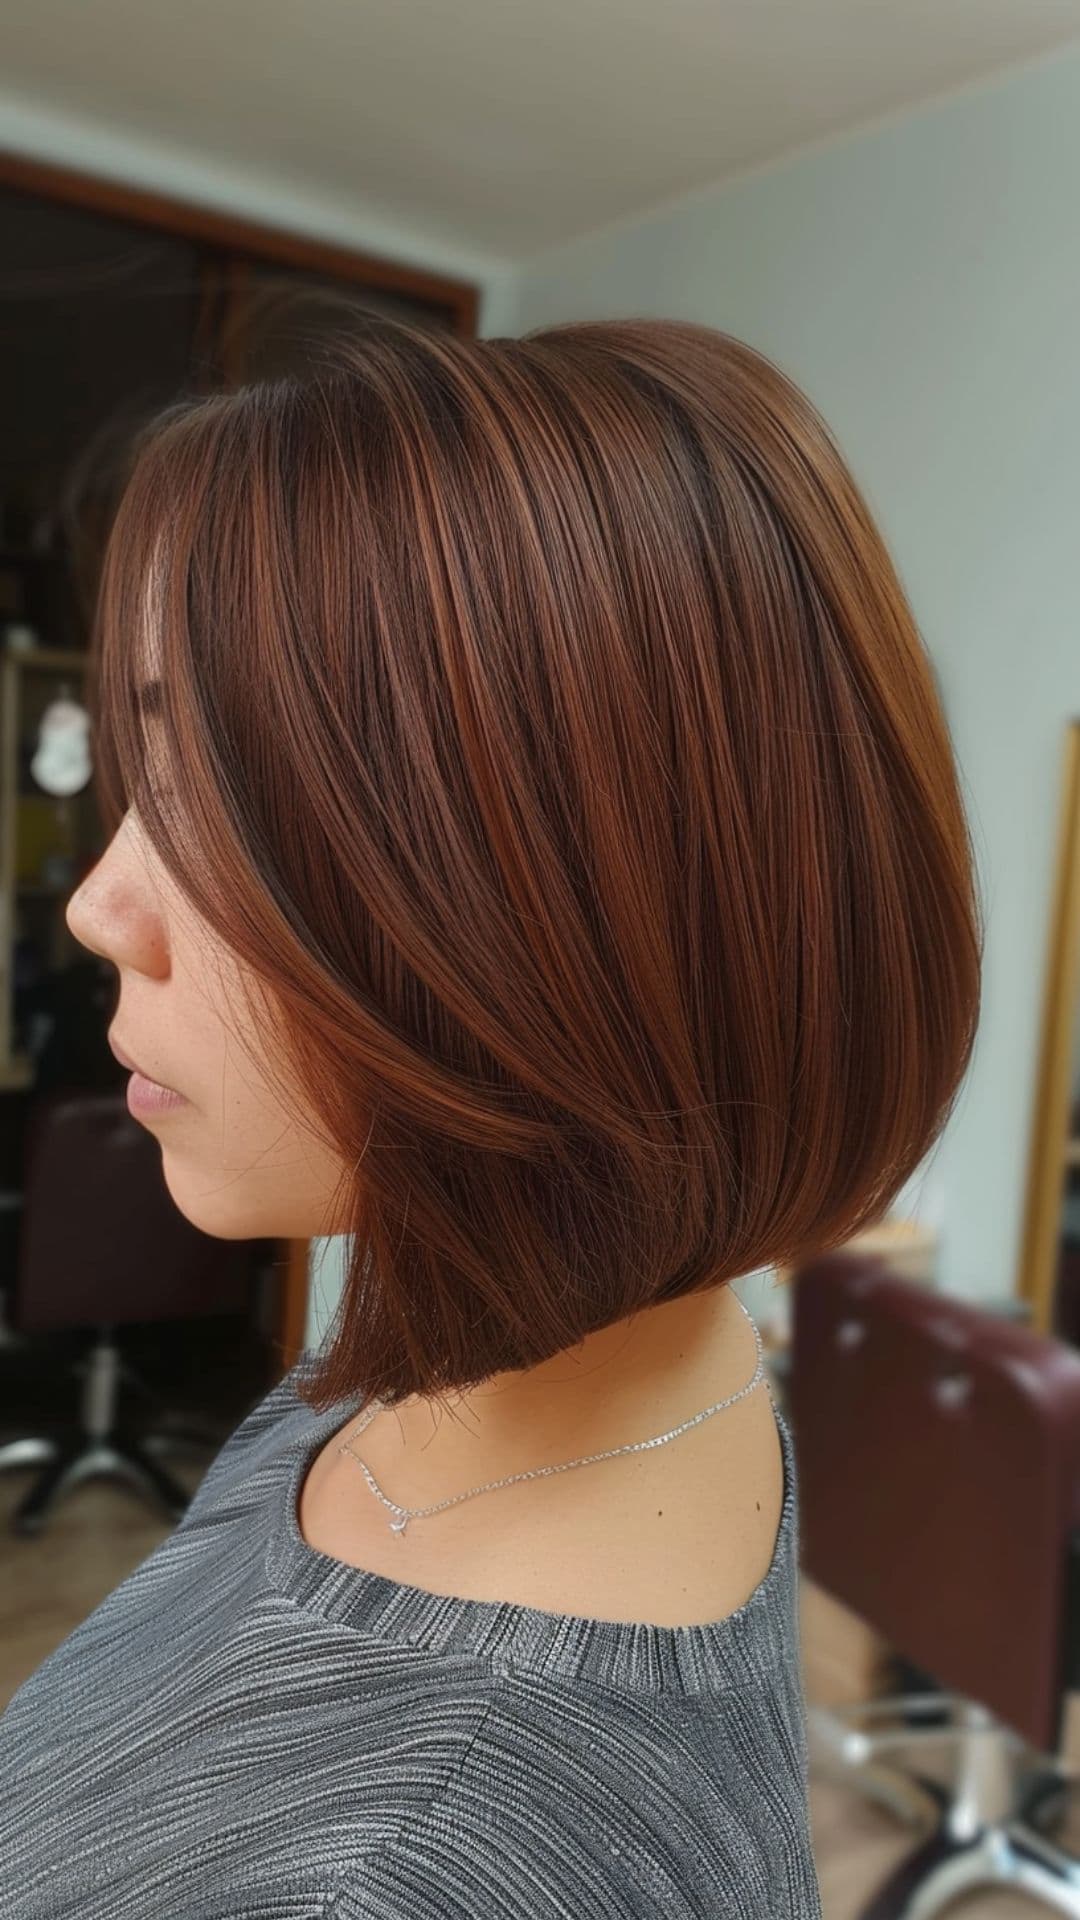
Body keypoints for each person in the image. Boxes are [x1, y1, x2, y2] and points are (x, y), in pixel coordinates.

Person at [0, 315, 982, 1917]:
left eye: (217, 794)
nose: (106, 903)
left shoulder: (406, 1877)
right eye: (141, 772)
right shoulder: (505, 1380)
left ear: (570, 917)